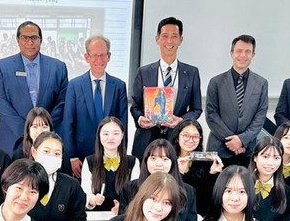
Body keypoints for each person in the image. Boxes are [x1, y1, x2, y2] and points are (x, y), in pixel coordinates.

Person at [129, 17, 202, 160]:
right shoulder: (144, 72)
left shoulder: (192, 73)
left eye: (174, 36)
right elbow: (135, 106)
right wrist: (140, 119)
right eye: (165, 36)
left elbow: (197, 109)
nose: (169, 41)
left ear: (181, 40)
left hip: (176, 139)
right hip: (147, 138)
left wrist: (181, 121)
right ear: (157, 39)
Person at [0, 21, 68, 151]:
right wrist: (27, 131)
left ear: (41, 40)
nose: (30, 42)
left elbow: (62, 102)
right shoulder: (3, 67)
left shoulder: (58, 67)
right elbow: (1, 102)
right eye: (24, 37)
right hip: (13, 138)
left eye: (34, 38)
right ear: (17, 40)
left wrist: (44, 129)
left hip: (48, 140)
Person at [61, 35, 128, 177]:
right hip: (81, 156)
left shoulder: (119, 86)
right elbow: (68, 123)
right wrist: (72, 157)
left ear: (109, 56)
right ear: (86, 57)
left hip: (111, 154)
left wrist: (121, 155)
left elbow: (123, 125)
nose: (99, 60)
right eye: (94, 55)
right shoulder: (74, 85)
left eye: (103, 55)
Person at [205, 35, 269, 169]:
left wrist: (242, 140)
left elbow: (260, 116)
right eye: (239, 51)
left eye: (247, 52)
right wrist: (232, 140)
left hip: (248, 150)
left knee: (246, 188)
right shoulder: (216, 82)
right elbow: (211, 115)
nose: (243, 55)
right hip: (220, 149)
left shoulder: (261, 83)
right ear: (231, 53)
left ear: (253, 55)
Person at [121, 139, 198, 221]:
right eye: (153, 158)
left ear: (172, 163)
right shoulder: (130, 188)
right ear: (145, 161)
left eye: (165, 159)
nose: (158, 164)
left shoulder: (187, 191)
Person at [81, 117, 139, 213]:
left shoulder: (132, 161)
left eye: (116, 133)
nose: (110, 137)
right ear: (99, 136)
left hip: (125, 216)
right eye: (106, 134)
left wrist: (123, 208)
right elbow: (85, 192)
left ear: (122, 135)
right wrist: (93, 200)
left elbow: (136, 194)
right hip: (96, 216)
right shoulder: (89, 161)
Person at [173, 119, 223, 218]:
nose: (191, 140)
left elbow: (207, 197)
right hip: (173, 212)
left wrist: (213, 174)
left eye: (195, 137)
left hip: (197, 214)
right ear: (178, 137)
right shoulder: (168, 159)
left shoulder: (206, 162)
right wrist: (180, 173)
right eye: (186, 135)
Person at [248, 136, 290, 221]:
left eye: (276, 158)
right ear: (255, 157)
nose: (270, 163)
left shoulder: (287, 192)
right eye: (265, 156)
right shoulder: (243, 185)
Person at [11, 107, 72, 174]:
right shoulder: (18, 155)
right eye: (35, 126)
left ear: (50, 129)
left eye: (44, 127)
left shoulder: (61, 154)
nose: (40, 131)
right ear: (28, 130)